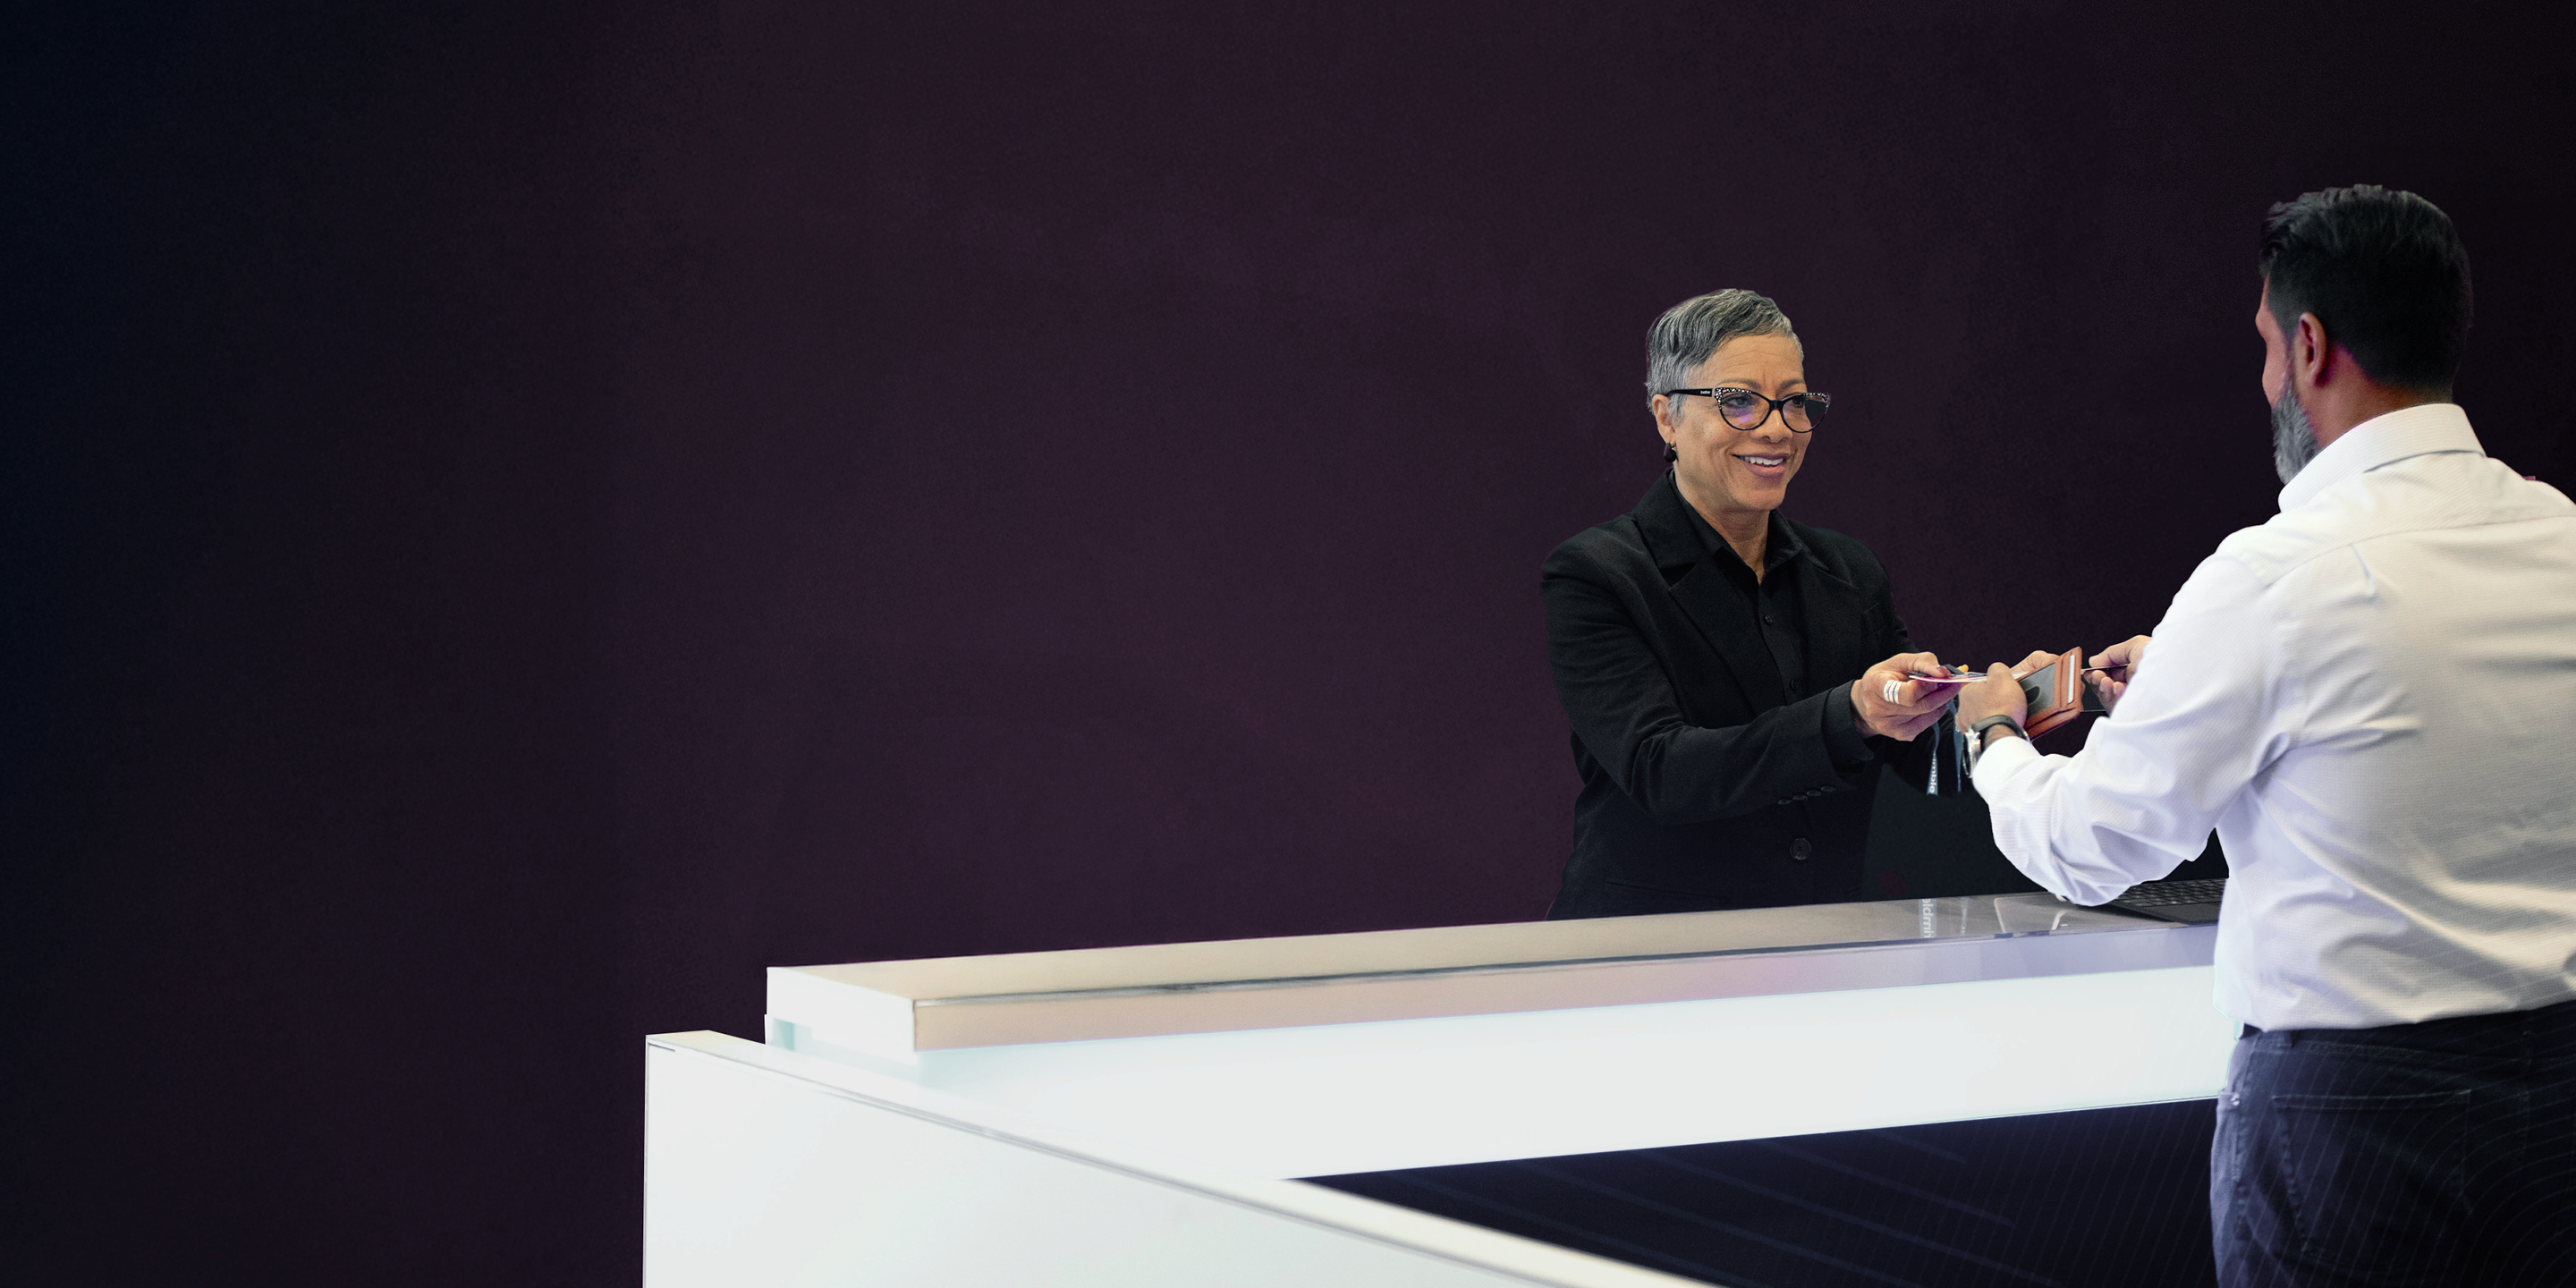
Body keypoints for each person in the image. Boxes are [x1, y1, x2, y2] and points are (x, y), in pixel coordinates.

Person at [1959, 186, 2576, 1285]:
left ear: (2310, 346)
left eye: (2264, 346)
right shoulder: (2559, 534)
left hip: (2353, 1127)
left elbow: (2093, 845)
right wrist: (2188, 686)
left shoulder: (2272, 577)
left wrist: (1995, 736)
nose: (2263, 381)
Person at [1541, 289, 1954, 919]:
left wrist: (2030, 701)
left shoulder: (1848, 570)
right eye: (1738, 401)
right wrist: (1851, 714)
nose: (1777, 428)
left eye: (1794, 402)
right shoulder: (1597, 573)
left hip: (1822, 940)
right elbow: (1661, 771)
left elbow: (1920, 746)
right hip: (1651, 948)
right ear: (1667, 417)